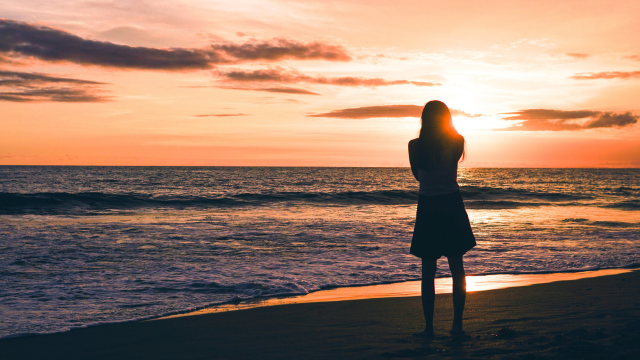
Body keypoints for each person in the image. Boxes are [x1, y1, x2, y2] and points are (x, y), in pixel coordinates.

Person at [408, 100, 476, 338]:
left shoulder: (414, 146)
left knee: (428, 270)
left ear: (424, 120)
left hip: (428, 206)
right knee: (457, 267)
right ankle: (457, 326)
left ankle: (429, 328)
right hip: (452, 204)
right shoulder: (457, 142)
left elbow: (418, 176)